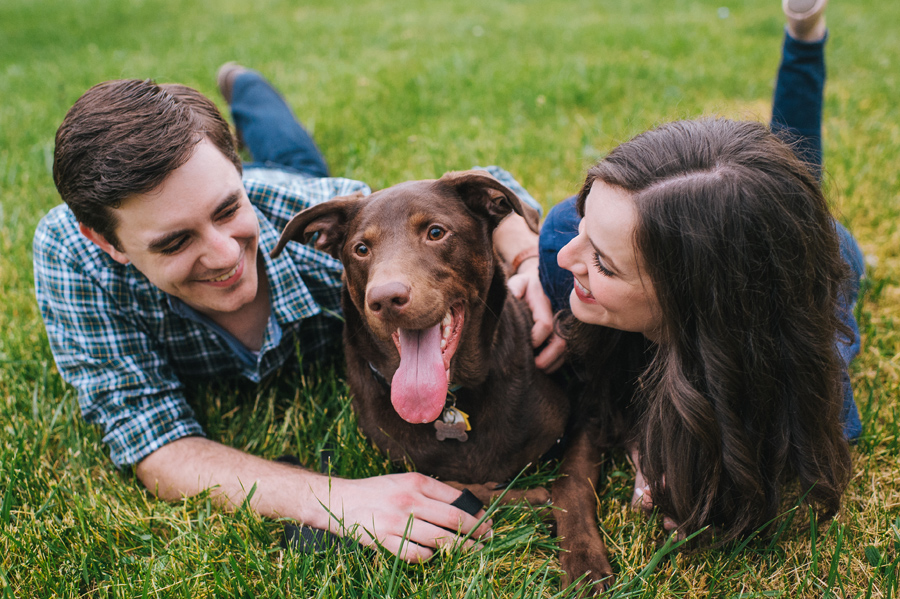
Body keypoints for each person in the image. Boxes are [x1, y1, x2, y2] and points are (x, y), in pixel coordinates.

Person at [33, 65, 560, 562]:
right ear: (107, 241)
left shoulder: (297, 215)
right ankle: (246, 89)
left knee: (295, 162)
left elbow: (469, 189)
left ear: (240, 178)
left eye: (227, 210)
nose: (223, 256)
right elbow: (153, 441)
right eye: (175, 241)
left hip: (285, 179)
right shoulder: (74, 258)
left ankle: (247, 90)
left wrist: (526, 255)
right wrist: (332, 499)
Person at [537, 0, 861, 543]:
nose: (571, 258)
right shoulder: (559, 247)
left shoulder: (801, 359)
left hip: (818, 255)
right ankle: (803, 31)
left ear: (701, 308)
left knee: (806, 180)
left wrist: (695, 464)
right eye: (585, 222)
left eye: (603, 263)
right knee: (789, 166)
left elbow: (799, 468)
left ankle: (806, 37)